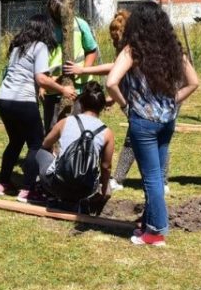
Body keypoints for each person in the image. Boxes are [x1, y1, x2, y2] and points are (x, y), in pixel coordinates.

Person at [106, 2, 200, 246]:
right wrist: (172, 101)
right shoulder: (173, 50)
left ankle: (156, 232)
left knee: (152, 178)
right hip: (167, 121)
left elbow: (111, 83)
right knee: (156, 174)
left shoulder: (131, 50)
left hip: (143, 122)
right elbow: (193, 83)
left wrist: (126, 106)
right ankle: (148, 222)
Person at [64, 10, 171, 195]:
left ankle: (153, 180)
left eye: (117, 37)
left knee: (142, 139)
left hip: (150, 100)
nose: (115, 41)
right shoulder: (130, 46)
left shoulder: (134, 46)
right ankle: (152, 180)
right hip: (142, 99)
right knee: (139, 139)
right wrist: (114, 97)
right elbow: (125, 77)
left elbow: (114, 71)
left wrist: (82, 70)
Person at [0, 14, 76, 203]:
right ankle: (28, 189)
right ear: (44, 29)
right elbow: (41, 78)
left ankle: (3, 183)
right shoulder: (39, 46)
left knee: (15, 141)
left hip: (4, 99)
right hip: (22, 101)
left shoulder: (18, 46)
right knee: (36, 144)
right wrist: (63, 89)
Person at [30, 82, 116, 203]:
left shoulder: (66, 121)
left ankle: (38, 187)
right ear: (102, 107)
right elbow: (106, 166)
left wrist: (55, 153)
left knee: (41, 152)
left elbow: (46, 144)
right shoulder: (107, 133)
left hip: (56, 185)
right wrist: (103, 188)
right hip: (85, 190)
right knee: (104, 181)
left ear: (81, 104)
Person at [44, 0, 100, 129]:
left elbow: (92, 50)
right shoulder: (47, 28)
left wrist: (82, 70)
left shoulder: (80, 25)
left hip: (79, 89)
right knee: (53, 129)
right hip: (53, 89)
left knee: (79, 127)